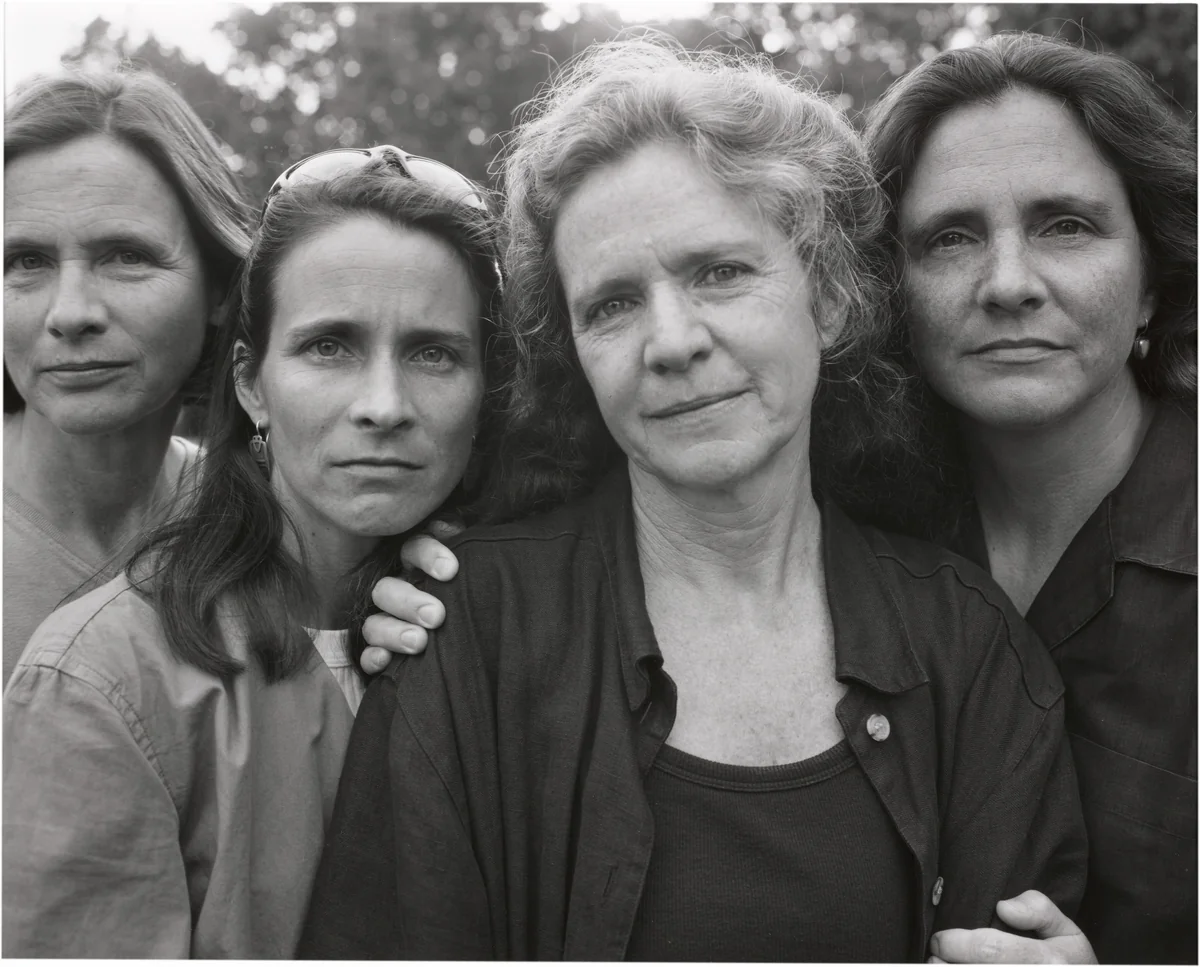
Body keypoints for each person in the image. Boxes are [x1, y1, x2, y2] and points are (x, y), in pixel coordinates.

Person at [300, 41, 1086, 961]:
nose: (671, 342)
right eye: (613, 305)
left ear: (827, 297)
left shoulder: (971, 649)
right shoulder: (464, 629)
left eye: (720, 272)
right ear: (577, 354)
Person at [2, 147, 502, 957]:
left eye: (433, 352)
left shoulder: (495, 624)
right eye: (328, 347)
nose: (384, 406)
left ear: (487, 389)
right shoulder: (100, 682)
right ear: (249, 383)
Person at [864, 34, 1197, 966]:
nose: (1008, 284)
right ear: (890, 290)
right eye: (951, 237)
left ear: (1153, 278)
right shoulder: (835, 536)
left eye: (1067, 226)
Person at [2, 70, 252, 684]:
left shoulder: (265, 518)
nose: (71, 313)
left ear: (219, 286)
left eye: (126, 256)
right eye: (25, 261)